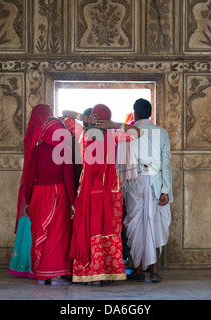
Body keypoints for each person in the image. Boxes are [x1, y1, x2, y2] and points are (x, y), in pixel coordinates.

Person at [64, 104, 143, 286]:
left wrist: (85, 120)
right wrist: (115, 125)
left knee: (90, 228)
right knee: (107, 229)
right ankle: (106, 273)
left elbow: (65, 115)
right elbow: (138, 132)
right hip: (109, 190)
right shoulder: (113, 135)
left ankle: (92, 274)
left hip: (89, 190)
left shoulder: (82, 132)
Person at [123, 98, 173, 283]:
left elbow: (123, 163)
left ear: (135, 113)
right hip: (156, 183)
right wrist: (165, 190)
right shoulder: (162, 133)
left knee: (135, 224)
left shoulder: (129, 132)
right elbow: (166, 164)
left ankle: (137, 270)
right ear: (150, 113)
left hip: (135, 181)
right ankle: (154, 270)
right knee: (155, 224)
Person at [24, 116, 76, 285]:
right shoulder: (65, 151)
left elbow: (29, 178)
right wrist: (72, 202)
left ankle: (41, 274)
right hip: (58, 194)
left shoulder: (36, 151)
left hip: (39, 193)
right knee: (58, 234)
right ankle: (56, 275)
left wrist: (28, 200)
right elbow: (68, 179)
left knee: (40, 231)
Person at [8, 104, 52, 279]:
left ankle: (22, 265)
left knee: (29, 222)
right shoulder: (40, 133)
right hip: (38, 183)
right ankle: (36, 265)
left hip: (30, 182)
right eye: (49, 114)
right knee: (38, 223)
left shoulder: (31, 132)